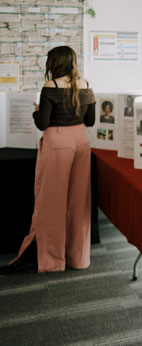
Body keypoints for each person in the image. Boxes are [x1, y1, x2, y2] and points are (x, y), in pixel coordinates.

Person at [1, 46, 96, 274]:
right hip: (82, 141)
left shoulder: (50, 87)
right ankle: (78, 258)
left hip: (59, 141)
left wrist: (36, 111)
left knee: (51, 202)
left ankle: (53, 260)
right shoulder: (85, 85)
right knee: (79, 201)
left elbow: (42, 124)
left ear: (54, 63)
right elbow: (90, 121)